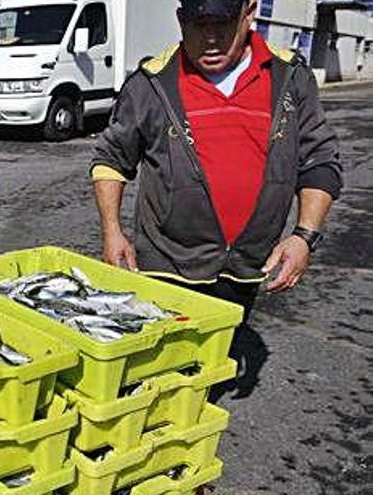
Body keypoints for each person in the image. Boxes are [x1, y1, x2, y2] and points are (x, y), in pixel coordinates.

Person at [91, 0, 341, 322]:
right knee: (163, 364)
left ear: (249, 13)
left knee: (223, 358)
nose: (210, 38)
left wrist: (305, 236)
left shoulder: (290, 77)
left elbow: (320, 159)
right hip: (168, 268)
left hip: (246, 269)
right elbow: (111, 157)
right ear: (181, 20)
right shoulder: (151, 82)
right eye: (198, 24)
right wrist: (111, 231)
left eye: (222, 24)